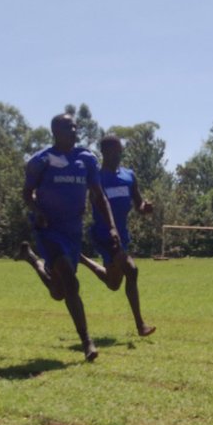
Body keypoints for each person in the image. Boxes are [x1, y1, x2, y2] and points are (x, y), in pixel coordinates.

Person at [19, 113, 119, 361]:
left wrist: (112, 227)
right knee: (71, 282)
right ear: (55, 131)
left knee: (59, 291)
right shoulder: (41, 160)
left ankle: (32, 260)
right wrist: (38, 212)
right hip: (49, 229)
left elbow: (98, 195)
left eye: (75, 126)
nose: (74, 130)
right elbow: (27, 193)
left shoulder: (86, 159)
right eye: (68, 127)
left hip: (73, 230)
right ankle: (87, 342)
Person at [78, 134, 156, 337]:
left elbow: (138, 203)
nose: (118, 154)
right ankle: (141, 326)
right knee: (132, 270)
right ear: (104, 152)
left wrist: (144, 207)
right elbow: (94, 204)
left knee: (114, 284)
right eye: (114, 150)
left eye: (120, 150)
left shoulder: (129, 176)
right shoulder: (97, 178)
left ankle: (83, 260)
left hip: (122, 234)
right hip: (104, 234)